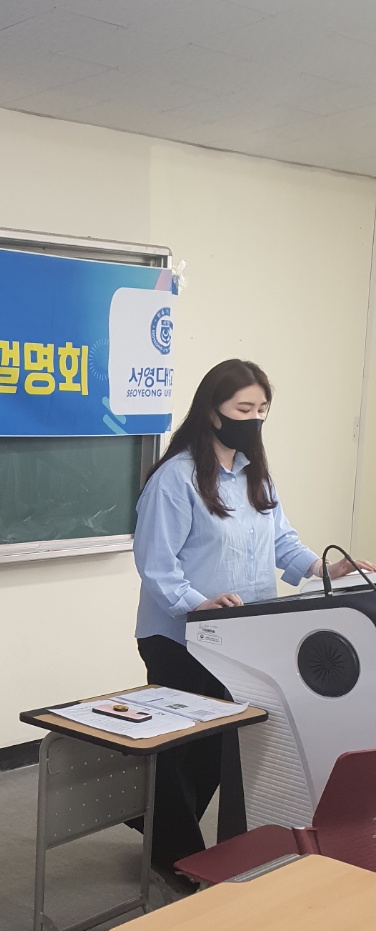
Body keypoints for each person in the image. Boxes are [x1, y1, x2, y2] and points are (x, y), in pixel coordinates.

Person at [132, 358, 373, 885]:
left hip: (247, 637)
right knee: (182, 750)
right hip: (181, 637)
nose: (255, 419)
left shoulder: (254, 474)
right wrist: (198, 603)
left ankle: (161, 833)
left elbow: (282, 542)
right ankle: (173, 855)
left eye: (262, 409)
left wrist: (322, 568)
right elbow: (156, 566)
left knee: (221, 749)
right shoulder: (174, 479)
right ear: (212, 412)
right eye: (244, 408)